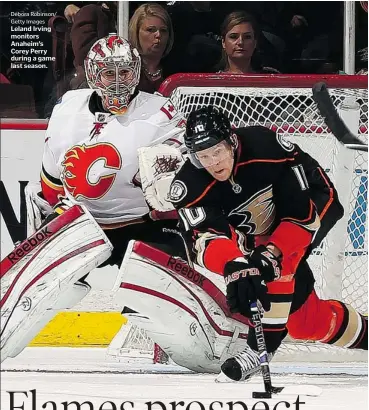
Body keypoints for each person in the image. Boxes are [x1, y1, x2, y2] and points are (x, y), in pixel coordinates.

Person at [0, 34, 186, 363]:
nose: (117, 82)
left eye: (125, 72)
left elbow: (182, 186)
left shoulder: (160, 113)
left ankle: (170, 341)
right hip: (84, 227)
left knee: (160, 279)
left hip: (141, 225)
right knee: (51, 286)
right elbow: (49, 185)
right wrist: (48, 235)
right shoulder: (68, 110)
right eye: (108, 73)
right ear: (91, 73)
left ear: (136, 72)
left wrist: (166, 184)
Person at [167, 105, 367, 381]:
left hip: (314, 201)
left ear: (232, 142)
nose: (213, 163)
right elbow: (205, 238)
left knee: (274, 263)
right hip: (260, 231)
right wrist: (234, 265)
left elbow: (301, 216)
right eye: (204, 156)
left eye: (217, 152)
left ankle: (258, 350)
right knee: (303, 321)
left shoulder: (267, 150)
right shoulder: (190, 184)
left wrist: (272, 252)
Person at [128, 3, 174, 94]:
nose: (158, 35)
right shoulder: (126, 70)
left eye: (163, 30)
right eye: (150, 30)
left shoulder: (176, 70)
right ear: (136, 33)